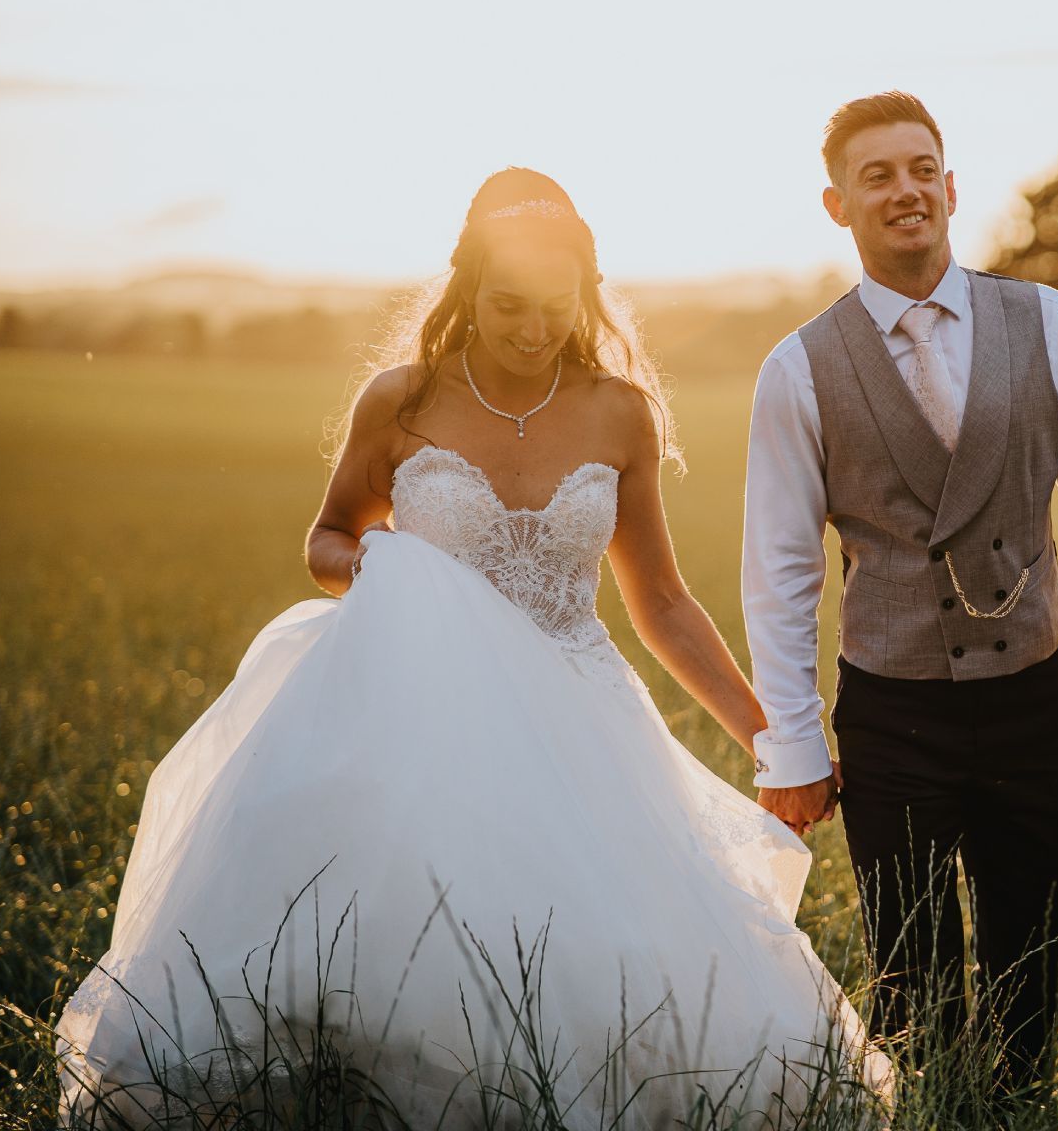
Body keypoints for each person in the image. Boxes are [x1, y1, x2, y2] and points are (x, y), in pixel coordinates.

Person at [56, 168, 887, 1129]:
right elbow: (325, 537)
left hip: (574, 722)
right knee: (395, 944)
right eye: (507, 305)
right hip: (416, 713)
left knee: (592, 960)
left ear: (587, 296)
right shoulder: (400, 401)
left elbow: (659, 600)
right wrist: (381, 566)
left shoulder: (619, 412)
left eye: (554, 305)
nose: (532, 328)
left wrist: (772, 735)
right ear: (466, 294)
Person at [742, 92, 1058, 1097]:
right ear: (837, 205)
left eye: (920, 168)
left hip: (1033, 690)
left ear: (948, 187)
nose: (903, 189)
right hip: (893, 707)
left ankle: (1020, 1106)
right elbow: (780, 573)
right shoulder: (799, 368)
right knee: (915, 987)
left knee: (1036, 963)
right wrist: (793, 741)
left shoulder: (1049, 321)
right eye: (877, 175)